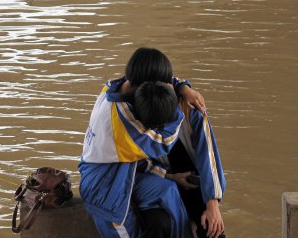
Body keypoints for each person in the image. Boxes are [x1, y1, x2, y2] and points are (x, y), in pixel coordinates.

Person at [79, 47, 204, 238]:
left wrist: (183, 87)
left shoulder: (111, 87)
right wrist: (175, 109)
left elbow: (134, 161)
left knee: (168, 190)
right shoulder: (122, 124)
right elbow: (164, 142)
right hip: (105, 191)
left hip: (125, 172)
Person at [135, 86, 226, 238]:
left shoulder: (192, 109)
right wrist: (170, 177)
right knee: (158, 224)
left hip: (192, 182)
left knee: (212, 228)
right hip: (160, 182)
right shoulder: (136, 117)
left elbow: (209, 157)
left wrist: (212, 204)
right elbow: (138, 163)